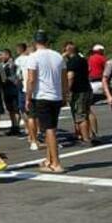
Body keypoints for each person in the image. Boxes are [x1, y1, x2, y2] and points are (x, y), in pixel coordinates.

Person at [26, 31, 67, 173]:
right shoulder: (58, 56)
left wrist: (28, 97)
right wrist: (65, 95)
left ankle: (56, 163)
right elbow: (64, 79)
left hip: (42, 96)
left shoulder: (33, 57)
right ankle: (49, 160)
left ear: (35, 42)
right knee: (52, 129)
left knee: (48, 130)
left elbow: (31, 80)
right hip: (56, 96)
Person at [14, 43, 39, 150]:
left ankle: (31, 135)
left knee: (28, 113)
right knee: (31, 114)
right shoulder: (30, 60)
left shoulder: (22, 60)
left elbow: (19, 75)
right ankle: (32, 134)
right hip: (29, 88)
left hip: (26, 88)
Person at [0, 48, 21, 136]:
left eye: (2, 55)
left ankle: (16, 127)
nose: (1, 57)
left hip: (13, 90)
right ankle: (13, 126)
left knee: (15, 109)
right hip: (7, 90)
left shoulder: (12, 65)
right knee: (10, 110)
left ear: (7, 55)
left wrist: (4, 79)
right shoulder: (4, 65)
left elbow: (15, 78)